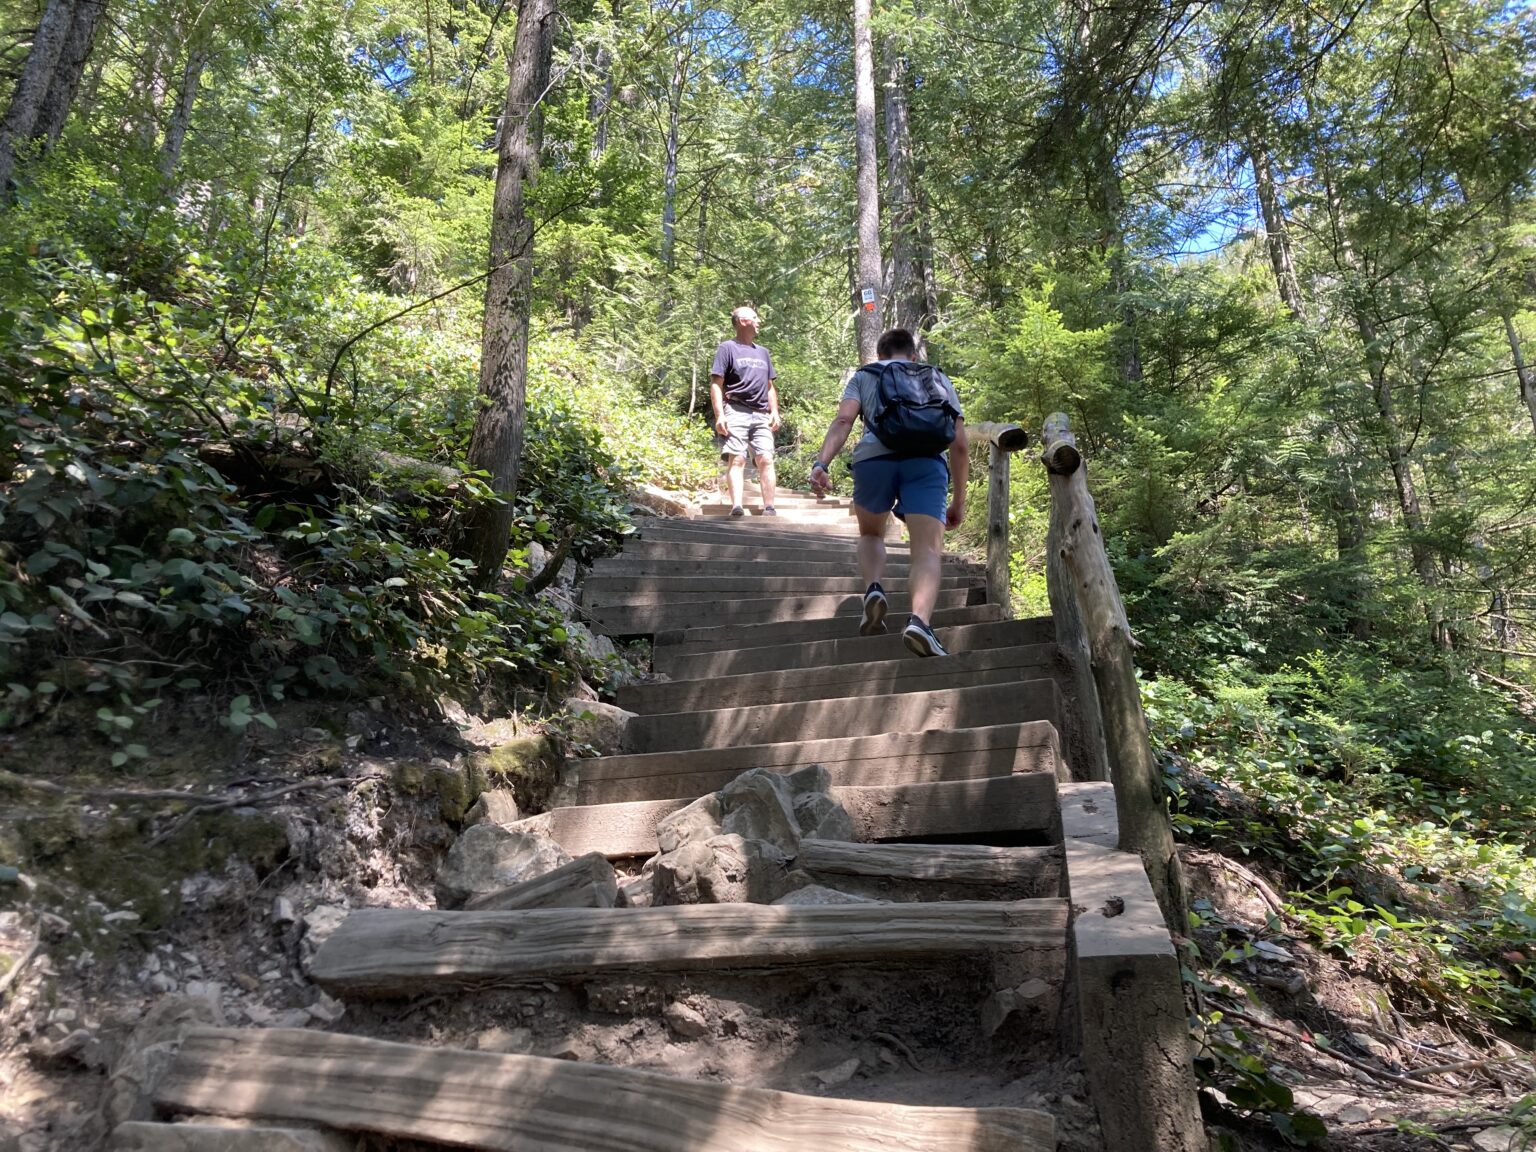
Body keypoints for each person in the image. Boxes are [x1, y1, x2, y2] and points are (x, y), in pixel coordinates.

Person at [808, 328, 966, 657]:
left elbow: (843, 421)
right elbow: (960, 445)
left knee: (871, 534)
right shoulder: (936, 376)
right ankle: (919, 622)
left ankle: (874, 589)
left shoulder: (865, 375)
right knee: (926, 551)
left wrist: (821, 463)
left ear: (879, 354)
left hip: (873, 461)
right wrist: (959, 500)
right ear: (913, 355)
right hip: (926, 463)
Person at [710, 306, 781, 517]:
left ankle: (769, 507)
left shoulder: (763, 352)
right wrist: (719, 415)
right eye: (755, 317)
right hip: (735, 409)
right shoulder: (727, 348)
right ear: (743, 321)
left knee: (766, 458)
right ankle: (737, 507)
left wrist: (774, 411)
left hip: (761, 414)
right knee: (737, 458)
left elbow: (769, 386)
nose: (759, 321)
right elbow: (716, 384)